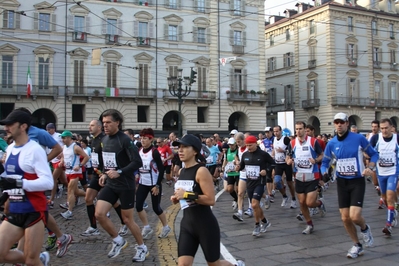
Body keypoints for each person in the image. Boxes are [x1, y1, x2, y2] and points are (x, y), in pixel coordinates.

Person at [171, 134, 245, 266]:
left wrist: (186, 195)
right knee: (182, 264)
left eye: (185, 147)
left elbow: (210, 199)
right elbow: (185, 196)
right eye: (179, 147)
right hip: (187, 224)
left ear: (195, 151)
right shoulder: (181, 171)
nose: (180, 150)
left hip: (205, 225)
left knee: (214, 264)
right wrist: (177, 198)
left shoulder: (201, 171)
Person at [0, 110, 54, 265]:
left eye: (10, 125)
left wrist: (20, 184)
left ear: (23, 126)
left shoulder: (35, 150)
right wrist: (4, 195)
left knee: (31, 260)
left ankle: (38, 260)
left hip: (34, 210)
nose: (6, 128)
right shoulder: (10, 149)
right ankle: (40, 260)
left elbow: (48, 182)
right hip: (15, 209)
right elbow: (10, 179)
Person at [321, 112, 378, 259]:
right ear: (334, 124)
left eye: (342, 122)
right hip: (342, 182)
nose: (339, 125)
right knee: (345, 218)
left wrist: (370, 168)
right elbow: (325, 162)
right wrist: (324, 172)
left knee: (355, 216)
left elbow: (374, 154)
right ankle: (357, 245)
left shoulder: (358, 138)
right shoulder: (331, 143)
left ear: (347, 123)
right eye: (336, 122)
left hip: (357, 181)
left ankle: (365, 229)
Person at [95, 109, 148, 262]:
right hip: (111, 184)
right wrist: (105, 174)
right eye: (103, 123)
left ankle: (142, 247)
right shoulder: (104, 139)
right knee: (99, 214)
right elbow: (108, 163)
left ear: (117, 122)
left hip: (126, 185)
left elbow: (137, 162)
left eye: (108, 122)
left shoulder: (124, 140)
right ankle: (118, 240)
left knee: (127, 220)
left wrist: (120, 171)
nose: (105, 125)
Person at [82, 120, 127, 237]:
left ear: (99, 127)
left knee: (113, 202)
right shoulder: (93, 140)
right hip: (97, 174)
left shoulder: (105, 139)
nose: (89, 127)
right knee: (88, 198)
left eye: (92, 125)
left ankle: (124, 222)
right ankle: (93, 227)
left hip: (106, 174)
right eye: (89, 125)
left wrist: (106, 172)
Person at [286, 121, 326, 235]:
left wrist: (316, 160)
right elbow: (288, 156)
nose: (298, 131)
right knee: (302, 202)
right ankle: (309, 224)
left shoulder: (313, 142)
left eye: (300, 129)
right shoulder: (292, 143)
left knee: (309, 202)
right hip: (299, 176)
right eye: (296, 129)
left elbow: (321, 155)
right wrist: (288, 161)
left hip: (312, 176)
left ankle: (320, 204)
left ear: (305, 129)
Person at [236, 135, 275, 237]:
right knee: (256, 206)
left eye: (251, 145)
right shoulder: (245, 155)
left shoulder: (263, 154)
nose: (249, 147)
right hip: (250, 183)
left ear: (255, 144)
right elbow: (242, 166)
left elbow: (273, 164)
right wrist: (238, 167)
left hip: (260, 182)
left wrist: (266, 171)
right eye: (247, 145)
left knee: (254, 204)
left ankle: (257, 225)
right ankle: (265, 222)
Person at [136, 128, 171, 240]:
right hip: (143, 182)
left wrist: (157, 185)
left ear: (151, 139)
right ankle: (146, 227)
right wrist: (136, 174)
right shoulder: (140, 150)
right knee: (138, 206)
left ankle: (166, 227)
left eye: (145, 138)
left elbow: (161, 169)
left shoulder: (154, 152)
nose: (142, 140)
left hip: (153, 183)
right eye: (141, 138)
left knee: (156, 208)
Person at [369, 118, 399, 236]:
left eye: (386, 128)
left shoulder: (397, 138)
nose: (384, 130)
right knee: (385, 198)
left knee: (391, 195)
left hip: (393, 172)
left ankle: (389, 224)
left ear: (391, 127)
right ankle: (392, 212)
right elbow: (369, 152)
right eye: (382, 128)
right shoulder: (376, 138)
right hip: (381, 173)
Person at [58, 130, 89, 220]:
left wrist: (79, 165)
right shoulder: (64, 147)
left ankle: (69, 211)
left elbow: (86, 157)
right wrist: (61, 161)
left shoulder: (75, 147)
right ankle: (91, 196)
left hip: (75, 172)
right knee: (76, 191)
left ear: (68, 138)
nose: (62, 140)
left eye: (63, 138)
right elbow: (64, 156)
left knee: (70, 190)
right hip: (67, 171)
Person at [272, 125, 296, 209]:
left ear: (281, 131)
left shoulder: (285, 139)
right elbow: (274, 149)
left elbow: (291, 151)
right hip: (278, 163)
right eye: (274, 131)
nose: (276, 133)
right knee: (277, 181)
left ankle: (293, 198)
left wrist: (284, 151)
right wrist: (272, 155)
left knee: (289, 183)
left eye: (277, 131)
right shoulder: (274, 139)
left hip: (286, 163)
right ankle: (285, 196)